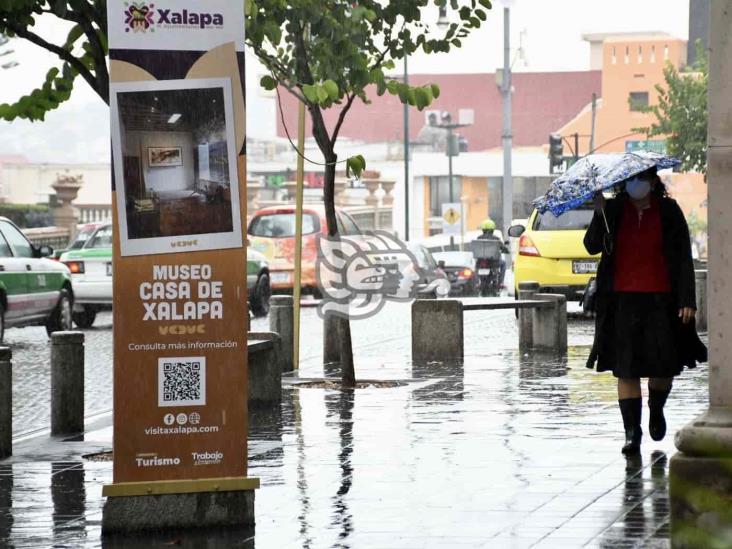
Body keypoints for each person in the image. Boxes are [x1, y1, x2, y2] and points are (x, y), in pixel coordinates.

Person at [584, 168, 707, 455]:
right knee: (625, 369)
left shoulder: (669, 211)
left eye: (640, 179)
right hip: (621, 301)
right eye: (629, 180)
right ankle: (632, 432)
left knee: (663, 367)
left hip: (661, 301)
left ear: (652, 182)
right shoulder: (612, 209)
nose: (634, 185)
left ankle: (656, 406)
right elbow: (590, 246)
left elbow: (682, 258)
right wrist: (597, 212)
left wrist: (687, 299)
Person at [476, 218, 509, 287]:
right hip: (494, 262)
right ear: (493, 229)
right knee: (503, 264)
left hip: (481, 262)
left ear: (483, 229)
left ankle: (477, 282)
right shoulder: (496, 239)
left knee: (476, 266)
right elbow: (503, 248)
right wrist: (506, 250)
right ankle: (500, 282)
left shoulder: (479, 238)